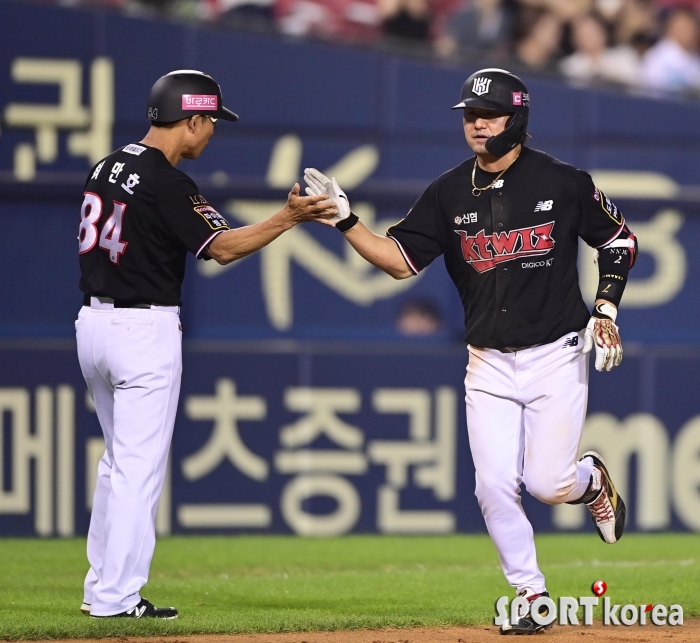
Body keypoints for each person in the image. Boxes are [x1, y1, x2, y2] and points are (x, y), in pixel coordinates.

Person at [304, 68, 636, 635]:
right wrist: (346, 219)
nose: (477, 124)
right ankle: (531, 596)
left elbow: (619, 241)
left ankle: (590, 482)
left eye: (489, 114)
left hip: (556, 351)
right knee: (490, 485)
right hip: (486, 360)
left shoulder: (563, 181)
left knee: (548, 484)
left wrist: (605, 307)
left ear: (518, 119)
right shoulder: (448, 192)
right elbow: (396, 260)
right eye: (470, 115)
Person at [76, 70, 337, 619]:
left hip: (93, 325)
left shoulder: (110, 165)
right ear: (190, 119)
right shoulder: (167, 182)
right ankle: (115, 598)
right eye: (210, 121)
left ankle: (100, 586)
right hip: (140, 331)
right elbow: (222, 248)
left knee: (117, 464)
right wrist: (288, 217)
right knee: (137, 469)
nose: (213, 131)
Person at [641, 8, 700, 94]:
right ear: (671, 27)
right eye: (682, 27)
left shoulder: (695, 60)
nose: (687, 32)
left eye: (690, 27)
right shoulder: (657, 56)